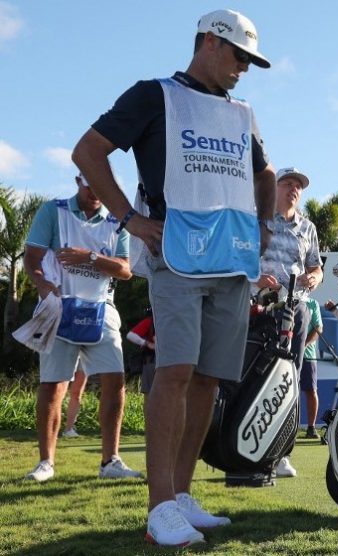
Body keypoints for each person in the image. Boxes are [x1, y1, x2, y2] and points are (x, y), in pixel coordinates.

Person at [71, 9, 276, 547]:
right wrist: (130, 220)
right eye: (238, 56)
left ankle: (182, 496)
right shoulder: (153, 94)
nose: (243, 69)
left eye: (251, 62)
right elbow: (88, 151)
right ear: (209, 43)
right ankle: (159, 505)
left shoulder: (241, 112)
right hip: (177, 254)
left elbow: (265, 173)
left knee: (209, 378)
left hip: (232, 261)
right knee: (177, 372)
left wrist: (264, 224)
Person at [22, 173, 143, 483]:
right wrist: (43, 285)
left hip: (102, 309)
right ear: (79, 180)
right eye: (90, 185)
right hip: (59, 309)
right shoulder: (54, 211)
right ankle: (46, 462)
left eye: (101, 187)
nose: (95, 192)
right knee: (53, 385)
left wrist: (89, 257)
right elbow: (33, 257)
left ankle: (110, 461)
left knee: (115, 382)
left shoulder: (117, 220)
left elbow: (126, 269)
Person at [255, 166, 323, 478]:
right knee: (256, 374)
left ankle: (282, 451)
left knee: (290, 379)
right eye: (287, 183)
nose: (293, 189)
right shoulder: (258, 217)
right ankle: (250, 447)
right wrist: (256, 278)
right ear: (276, 186)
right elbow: (239, 255)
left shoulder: (308, 227)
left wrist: (314, 277)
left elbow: (317, 268)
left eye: (298, 185)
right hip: (258, 304)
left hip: (296, 306)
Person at [301, 297, 323, 439]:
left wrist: (303, 346)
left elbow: (318, 327)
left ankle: (311, 428)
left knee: (311, 391)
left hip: (307, 355)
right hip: (284, 355)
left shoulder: (312, 303)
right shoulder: (283, 298)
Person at [126, 308, 156, 410]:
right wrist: (147, 343)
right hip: (152, 361)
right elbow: (130, 335)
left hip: (160, 362)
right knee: (149, 395)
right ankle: (150, 423)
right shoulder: (150, 321)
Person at [62, 364, 87, 438]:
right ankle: (50, 428)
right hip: (63, 355)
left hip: (83, 356)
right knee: (58, 392)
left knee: (77, 393)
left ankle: (69, 429)